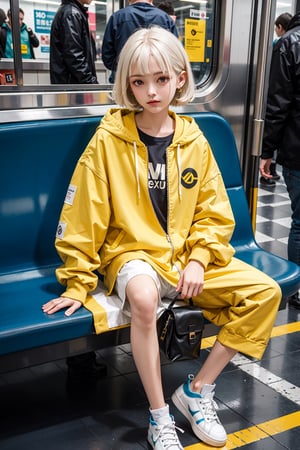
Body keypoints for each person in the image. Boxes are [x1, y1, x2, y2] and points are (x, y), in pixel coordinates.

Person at [43, 26, 281, 449]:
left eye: (161, 79)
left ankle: (195, 392)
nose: (151, 91)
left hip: (186, 257)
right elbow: (83, 215)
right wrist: (79, 283)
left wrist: (198, 259)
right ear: (127, 85)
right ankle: (159, 416)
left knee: (264, 293)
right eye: (138, 82)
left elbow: (213, 212)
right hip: (132, 253)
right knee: (144, 300)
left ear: (180, 78)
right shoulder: (108, 141)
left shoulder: (193, 139)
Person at [260, 11, 300, 309]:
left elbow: (278, 104)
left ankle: (297, 289)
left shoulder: (288, 43)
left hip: (297, 147)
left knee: (299, 222)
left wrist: (266, 151)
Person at [101, 0, 178, 83]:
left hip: (125, 81)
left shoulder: (117, 18)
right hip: (158, 83)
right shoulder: (166, 19)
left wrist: (125, 68)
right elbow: (175, 55)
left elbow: (108, 57)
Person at [259, 12, 292, 187]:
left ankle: (268, 173)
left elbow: (279, 103)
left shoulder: (282, 44)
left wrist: (266, 151)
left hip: (294, 149)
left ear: (280, 27)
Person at [50, 0, 98, 84]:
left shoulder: (72, 11)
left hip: (71, 82)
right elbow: (74, 55)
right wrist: (91, 82)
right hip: (72, 84)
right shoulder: (72, 14)